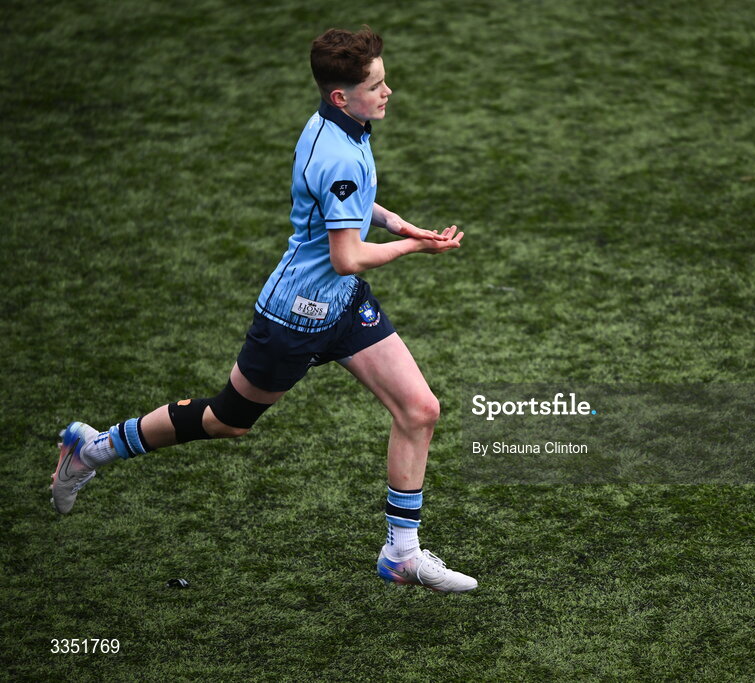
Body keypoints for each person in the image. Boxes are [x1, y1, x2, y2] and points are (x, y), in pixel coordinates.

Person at [49, 26, 477, 593]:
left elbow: (346, 201)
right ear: (339, 96)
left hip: (342, 309)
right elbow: (347, 258)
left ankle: (401, 553)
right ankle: (93, 449)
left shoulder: (334, 127)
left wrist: (396, 222)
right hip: (292, 320)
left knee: (420, 409)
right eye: (376, 84)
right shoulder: (339, 152)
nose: (388, 91)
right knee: (225, 420)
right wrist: (416, 246)